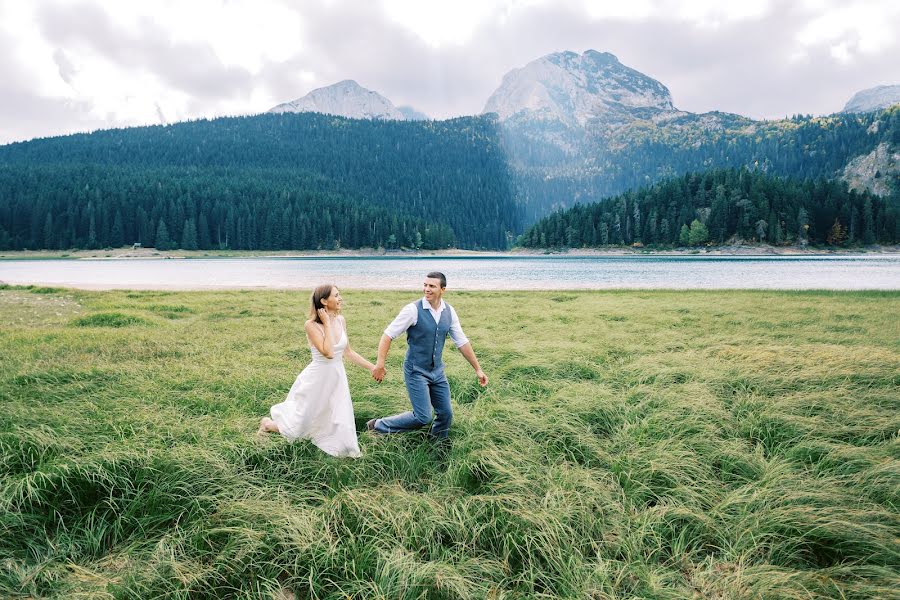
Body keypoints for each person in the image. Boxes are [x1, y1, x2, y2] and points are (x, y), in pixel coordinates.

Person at [258, 284, 375, 458]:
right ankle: (268, 425)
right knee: (301, 424)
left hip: (337, 377)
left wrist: (373, 367)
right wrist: (327, 323)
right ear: (324, 301)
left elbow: (348, 352)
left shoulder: (341, 320)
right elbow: (328, 353)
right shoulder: (311, 325)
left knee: (338, 416)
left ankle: (347, 450)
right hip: (317, 379)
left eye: (339, 294)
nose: (340, 298)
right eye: (336, 295)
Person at [367, 271, 487, 439]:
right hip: (416, 370)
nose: (427, 289)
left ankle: (437, 445)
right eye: (425, 285)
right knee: (423, 417)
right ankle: (378, 425)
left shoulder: (449, 312)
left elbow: (462, 342)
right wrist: (380, 364)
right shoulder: (412, 310)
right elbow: (388, 335)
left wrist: (478, 369)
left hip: (438, 372)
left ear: (443, 289)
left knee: (446, 414)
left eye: (432, 286)